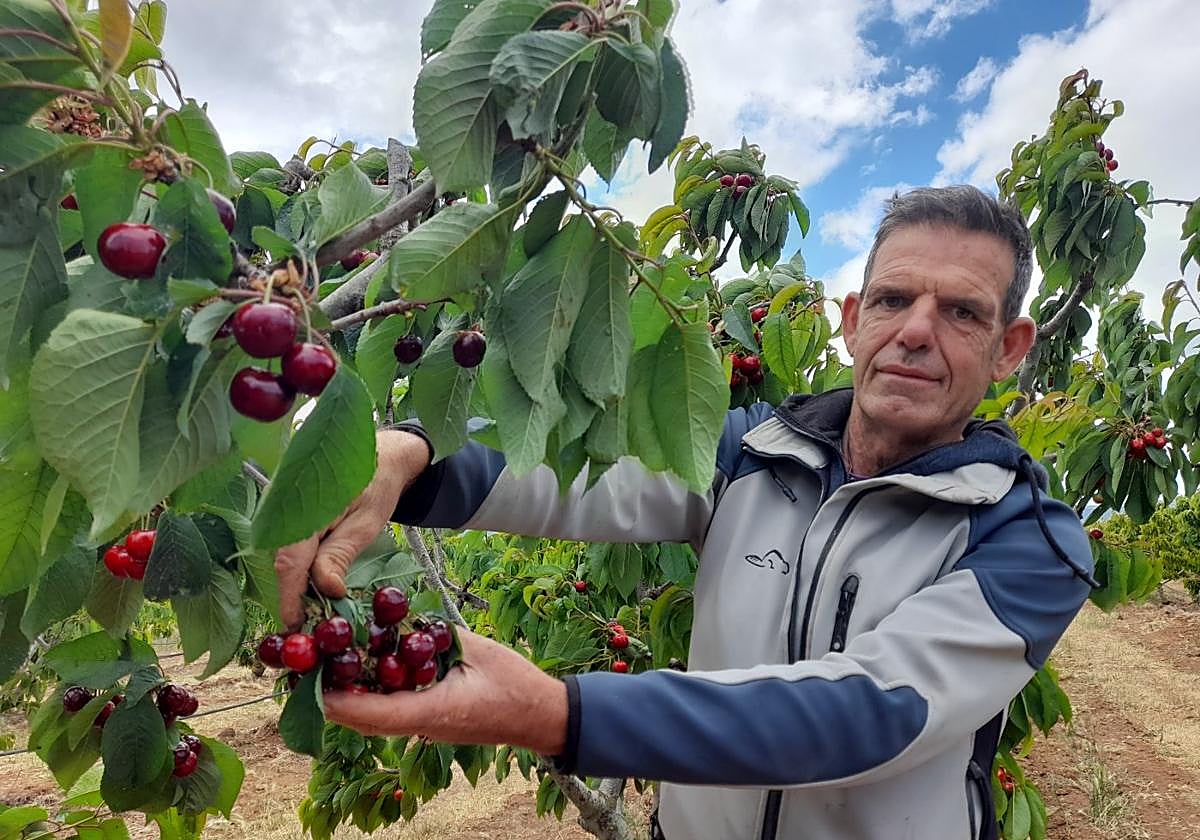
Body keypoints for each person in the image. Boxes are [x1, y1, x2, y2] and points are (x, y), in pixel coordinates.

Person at [275, 185, 1096, 840]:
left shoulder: (1026, 537)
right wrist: (412, 455)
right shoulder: (750, 449)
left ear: (1011, 347)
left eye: (962, 312)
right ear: (852, 322)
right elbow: (568, 477)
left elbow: (870, 713)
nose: (916, 332)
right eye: (892, 300)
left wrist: (563, 716)